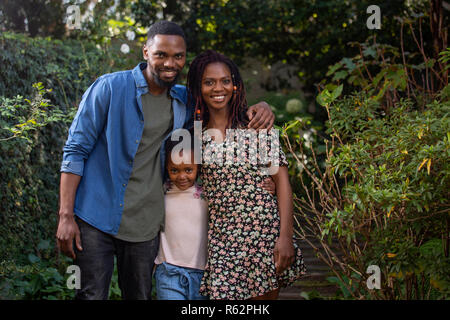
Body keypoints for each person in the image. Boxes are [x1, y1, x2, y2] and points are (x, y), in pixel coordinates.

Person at [56, 21, 275, 300]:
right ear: (146, 51)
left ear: (185, 58)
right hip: (94, 215)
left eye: (178, 56)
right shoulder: (108, 88)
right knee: (90, 295)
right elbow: (75, 151)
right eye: (161, 54)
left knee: (140, 296)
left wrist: (262, 108)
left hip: (145, 223)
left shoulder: (185, 99)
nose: (170, 63)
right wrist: (65, 215)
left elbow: (221, 104)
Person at [186, 50, 306, 300]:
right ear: (199, 88)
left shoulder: (257, 125)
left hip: (263, 236)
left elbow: (282, 183)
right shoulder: (194, 136)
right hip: (222, 241)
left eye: (225, 81)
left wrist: (285, 237)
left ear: (235, 85)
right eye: (209, 82)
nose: (218, 88)